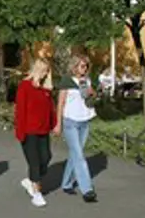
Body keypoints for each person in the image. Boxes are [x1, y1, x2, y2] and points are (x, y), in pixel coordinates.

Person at [55, 55, 98, 202]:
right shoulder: (66, 81)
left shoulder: (86, 80)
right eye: (81, 66)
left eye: (86, 66)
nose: (84, 69)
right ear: (74, 66)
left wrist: (93, 93)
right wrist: (58, 124)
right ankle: (87, 189)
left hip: (85, 120)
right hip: (70, 122)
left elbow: (91, 98)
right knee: (79, 156)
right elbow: (60, 104)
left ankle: (66, 183)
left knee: (75, 154)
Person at [15, 59, 56, 208]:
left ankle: (31, 180)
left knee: (46, 157)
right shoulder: (25, 86)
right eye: (44, 70)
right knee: (34, 161)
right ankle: (36, 193)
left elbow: (51, 109)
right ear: (37, 70)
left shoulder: (46, 90)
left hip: (43, 130)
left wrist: (55, 124)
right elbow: (20, 110)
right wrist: (20, 132)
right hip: (29, 131)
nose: (46, 74)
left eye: (48, 71)